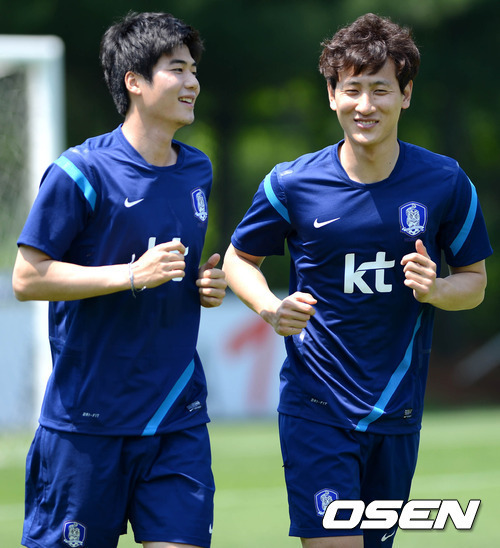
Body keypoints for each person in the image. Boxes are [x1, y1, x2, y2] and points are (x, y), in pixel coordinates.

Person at [223, 12, 492, 548]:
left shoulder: (446, 182)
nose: (365, 105)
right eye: (352, 89)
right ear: (332, 96)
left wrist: (437, 289)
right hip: (316, 404)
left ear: (405, 95)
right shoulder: (292, 183)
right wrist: (270, 308)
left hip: (397, 410)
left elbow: (475, 283)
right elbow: (237, 260)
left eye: (380, 89)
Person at [12, 11, 226, 548]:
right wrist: (131, 274)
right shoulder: (79, 171)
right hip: (87, 424)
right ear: (134, 81)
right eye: (177, 69)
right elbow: (28, 277)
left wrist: (206, 286)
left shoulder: (197, 170)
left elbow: (174, 275)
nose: (193, 83)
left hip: (176, 416)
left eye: (194, 70)